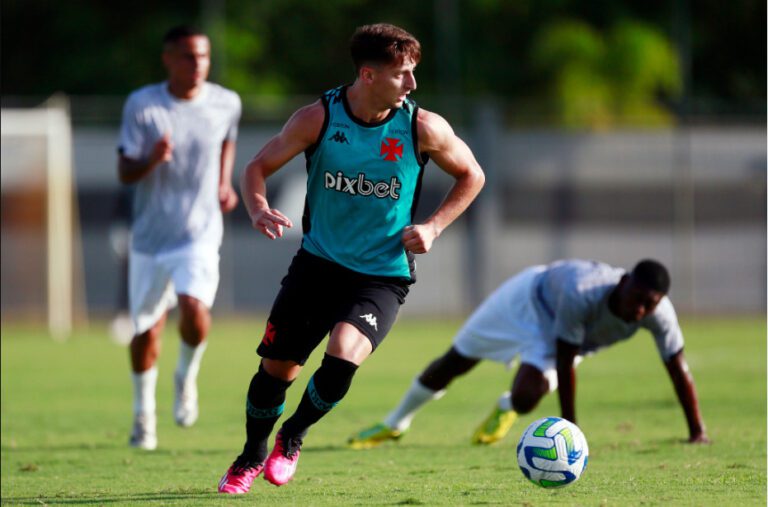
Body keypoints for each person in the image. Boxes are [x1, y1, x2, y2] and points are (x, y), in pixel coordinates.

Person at [217, 23, 485, 493]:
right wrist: (258, 207)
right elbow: (256, 165)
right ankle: (250, 454)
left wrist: (434, 226)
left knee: (343, 355)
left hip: (382, 275)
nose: (412, 84)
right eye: (402, 73)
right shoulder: (318, 118)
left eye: (413, 72)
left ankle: (293, 436)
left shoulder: (422, 126)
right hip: (317, 266)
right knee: (277, 370)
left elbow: (472, 175)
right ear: (368, 75)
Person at [348, 259, 710, 449]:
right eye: (638, 300)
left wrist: (697, 432)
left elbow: (678, 368)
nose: (641, 311)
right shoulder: (584, 292)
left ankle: (507, 408)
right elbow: (565, 360)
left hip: (565, 337)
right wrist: (573, 430)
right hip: (527, 299)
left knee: (526, 395)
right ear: (624, 282)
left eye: (651, 305)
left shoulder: (659, 315)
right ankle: (395, 423)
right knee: (454, 362)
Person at [117, 25, 241, 450]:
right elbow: (124, 171)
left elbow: (227, 140)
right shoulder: (143, 104)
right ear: (169, 58)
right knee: (146, 332)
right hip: (150, 238)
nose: (197, 64)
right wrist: (150, 160)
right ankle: (143, 416)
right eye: (188, 56)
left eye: (203, 56)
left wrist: (224, 183)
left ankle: (186, 377)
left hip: (199, 234)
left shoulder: (226, 102)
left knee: (194, 309)